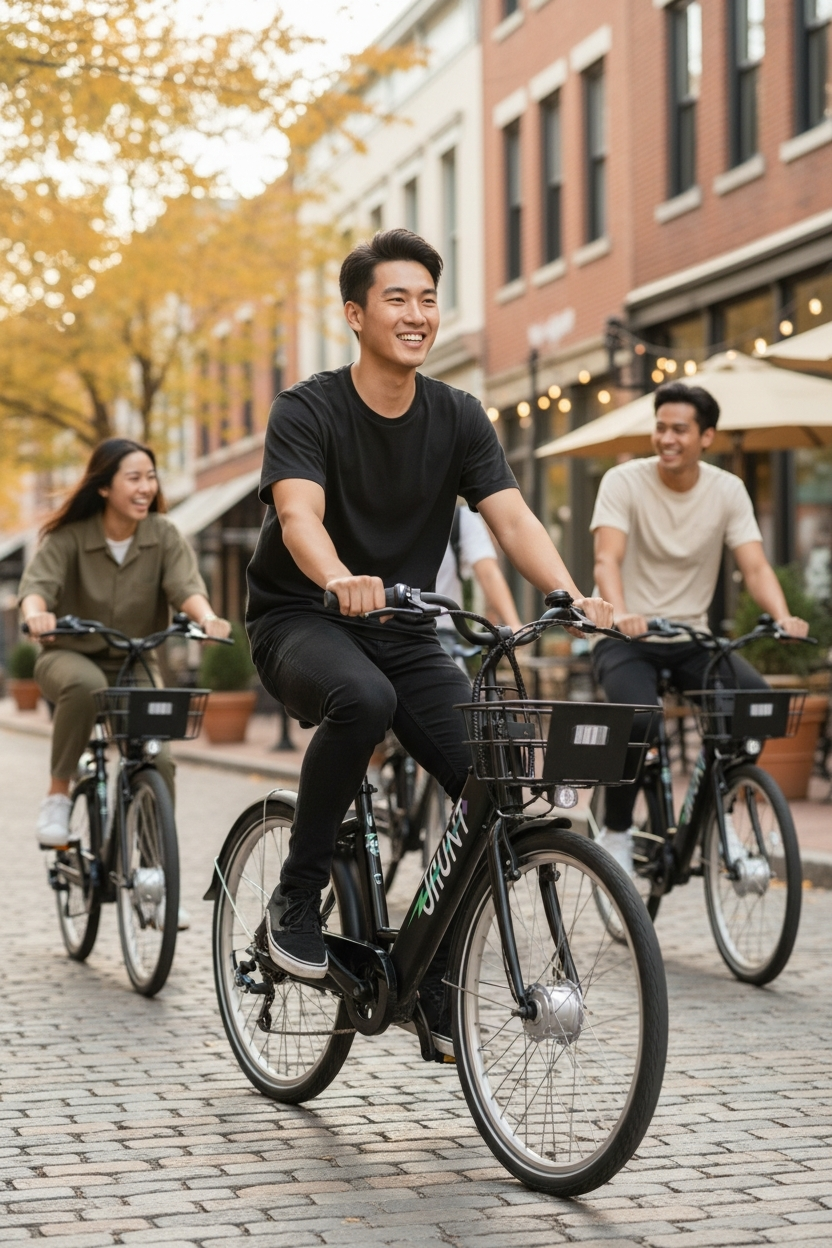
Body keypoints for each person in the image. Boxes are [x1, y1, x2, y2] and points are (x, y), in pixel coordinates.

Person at [245, 227, 614, 1027]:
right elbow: (297, 513)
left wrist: (568, 592)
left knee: (498, 779)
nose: (417, 315)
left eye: (428, 299)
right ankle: (295, 899)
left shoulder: (457, 415)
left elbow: (510, 517)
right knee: (363, 700)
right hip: (302, 616)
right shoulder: (308, 408)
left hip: (405, 629)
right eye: (397, 299)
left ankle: (433, 974)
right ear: (355, 314)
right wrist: (339, 577)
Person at [591, 381, 809, 875]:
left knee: (752, 703)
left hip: (691, 639)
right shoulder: (623, 481)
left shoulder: (726, 489)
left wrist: (781, 616)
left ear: (706, 436)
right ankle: (619, 832)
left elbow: (754, 566)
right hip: (627, 637)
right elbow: (608, 558)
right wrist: (621, 613)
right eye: (661, 427)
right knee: (639, 718)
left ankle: (720, 821)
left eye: (680, 430)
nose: (667, 438)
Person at [19, 438, 232, 855]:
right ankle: (58, 797)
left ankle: (154, 868)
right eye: (133, 478)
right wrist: (37, 614)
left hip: (134, 658)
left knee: (160, 757)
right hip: (69, 655)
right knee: (84, 685)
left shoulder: (163, 533)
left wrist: (206, 618)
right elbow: (37, 588)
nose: (145, 487)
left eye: (150, 477)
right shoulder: (69, 537)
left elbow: (185, 586)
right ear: (104, 487)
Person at [435, 504, 522, 657]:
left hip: (441, 633)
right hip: (386, 627)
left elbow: (488, 573)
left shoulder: (460, 519)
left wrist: (513, 624)